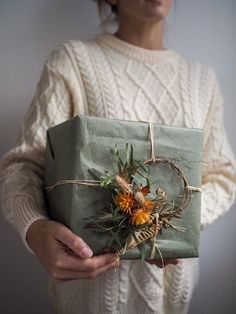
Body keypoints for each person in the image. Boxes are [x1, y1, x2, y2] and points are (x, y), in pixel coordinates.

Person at [0, 0, 235, 313]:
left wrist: (175, 223)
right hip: (88, 297)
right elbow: (22, 165)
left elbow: (223, 175)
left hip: (173, 300)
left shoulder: (201, 80)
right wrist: (34, 228)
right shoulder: (73, 62)